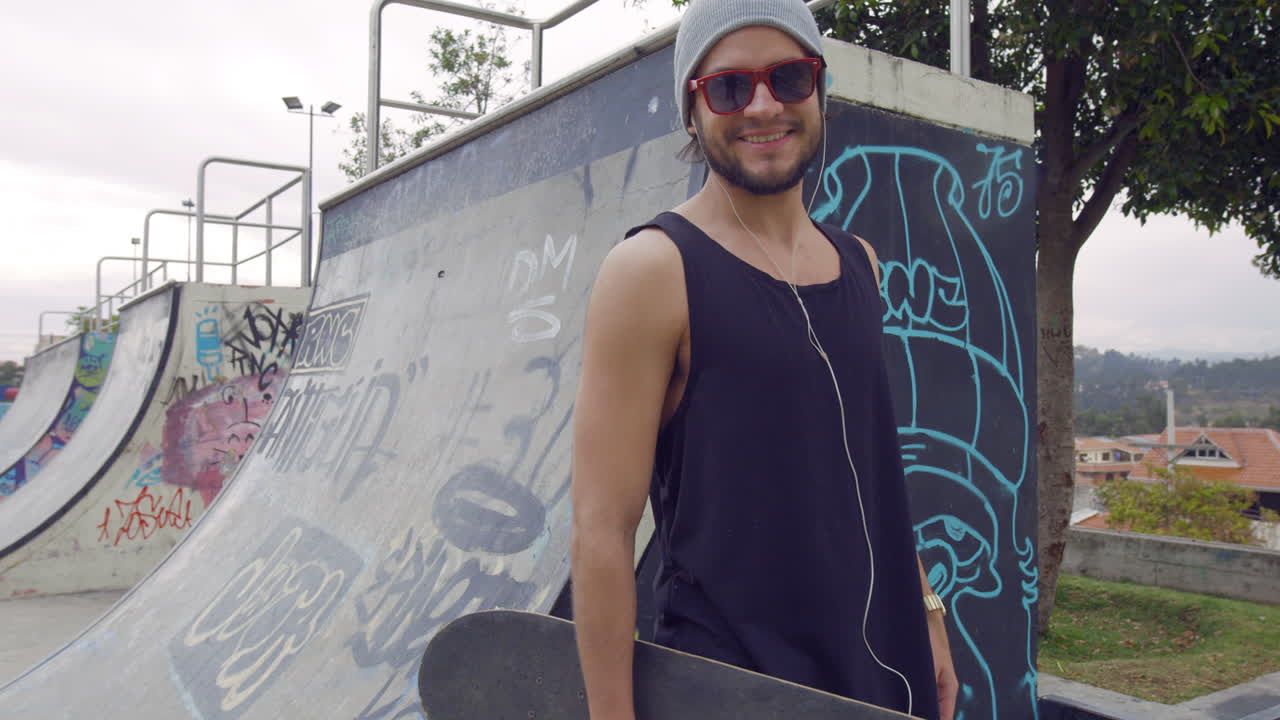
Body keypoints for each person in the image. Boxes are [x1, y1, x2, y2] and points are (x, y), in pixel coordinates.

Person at [569, 0, 958, 718]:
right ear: (692, 109)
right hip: (734, 685)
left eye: (789, 78)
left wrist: (927, 610)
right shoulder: (653, 270)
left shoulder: (859, 265)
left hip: (882, 670)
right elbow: (602, 530)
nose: (762, 105)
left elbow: (869, 477)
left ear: (820, 91)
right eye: (728, 87)